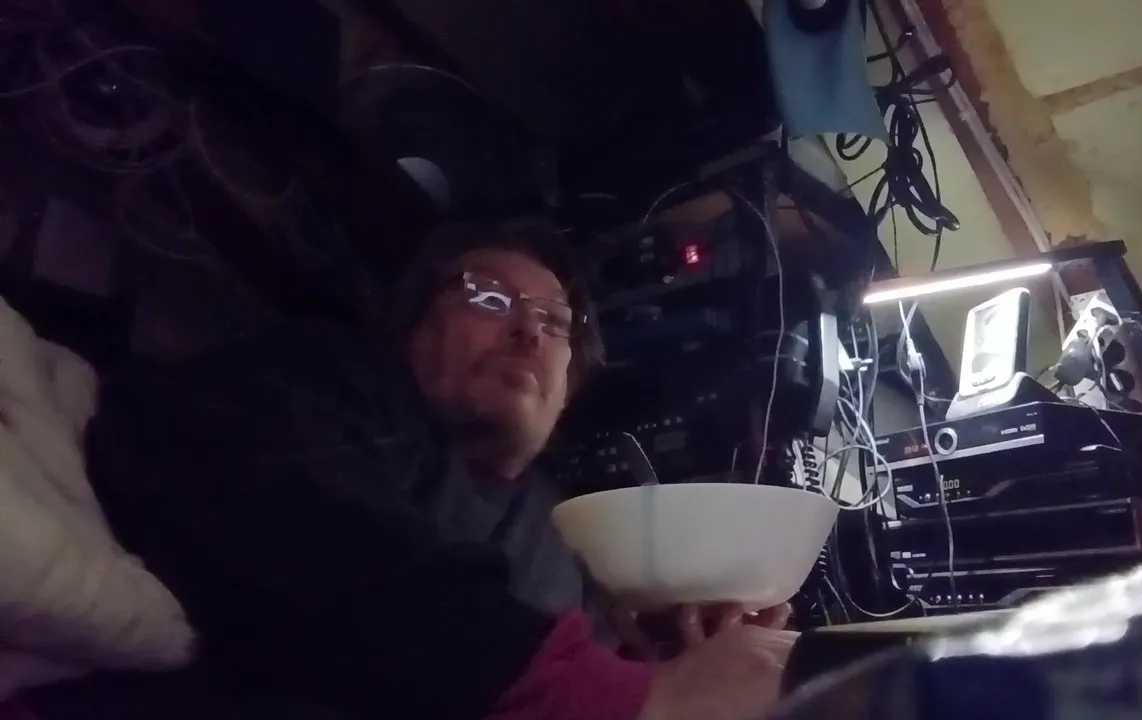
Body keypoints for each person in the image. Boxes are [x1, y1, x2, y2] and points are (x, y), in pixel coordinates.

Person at [30, 217, 798, 720]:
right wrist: (631, 699)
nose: (529, 331)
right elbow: (288, 520)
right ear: (412, 328)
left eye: (555, 321)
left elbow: (595, 656)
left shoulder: (559, 530)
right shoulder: (327, 380)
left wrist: (675, 660)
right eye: (490, 299)